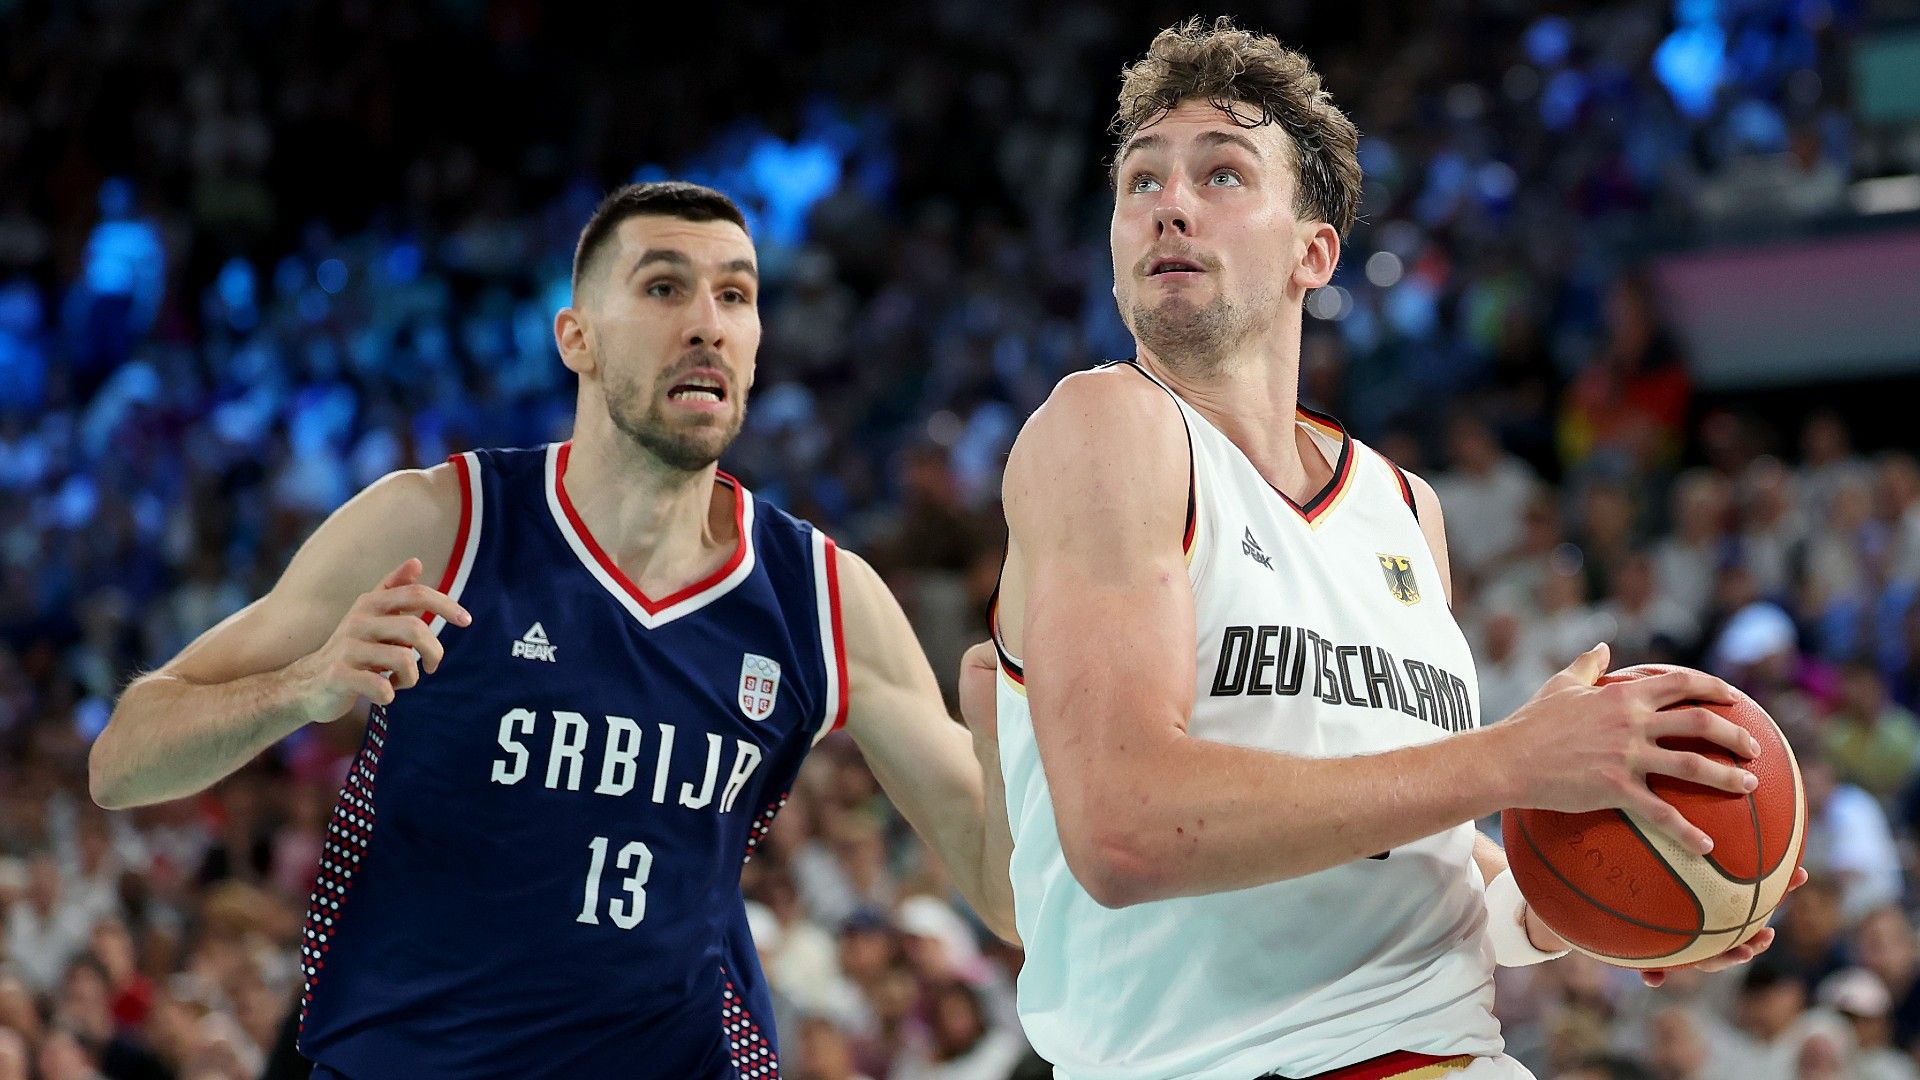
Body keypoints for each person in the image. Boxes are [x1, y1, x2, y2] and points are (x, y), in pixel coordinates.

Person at [969, 19, 1798, 1080]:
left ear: (1313, 253)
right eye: (1141, 180)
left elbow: (1411, 857)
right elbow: (1126, 827)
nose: (1169, 203)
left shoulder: (1404, 508)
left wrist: (1610, 895)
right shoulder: (1106, 427)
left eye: (1222, 174)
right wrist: (1515, 758)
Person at [88, 181, 1015, 1078]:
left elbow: (1009, 900)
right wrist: (304, 687)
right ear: (577, 337)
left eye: (735, 295)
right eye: (664, 288)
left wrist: (1009, 733)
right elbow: (122, 762)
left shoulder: (819, 596)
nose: (707, 322)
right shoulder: (442, 525)